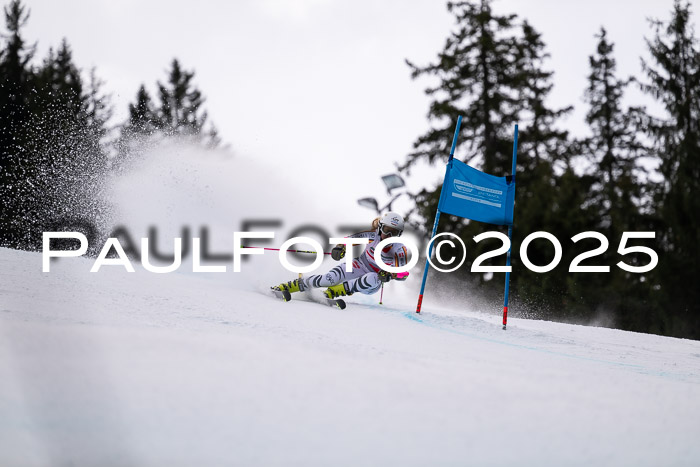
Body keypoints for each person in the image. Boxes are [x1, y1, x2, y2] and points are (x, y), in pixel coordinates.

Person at [272, 211, 409, 299]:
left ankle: (335, 291)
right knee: (329, 279)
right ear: (380, 228)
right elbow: (348, 240)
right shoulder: (372, 236)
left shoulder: (399, 250)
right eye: (386, 230)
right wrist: (340, 248)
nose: (389, 236)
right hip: (359, 265)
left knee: (373, 278)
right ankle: (290, 286)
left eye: (394, 233)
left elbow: (404, 273)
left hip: (372, 282)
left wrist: (390, 275)